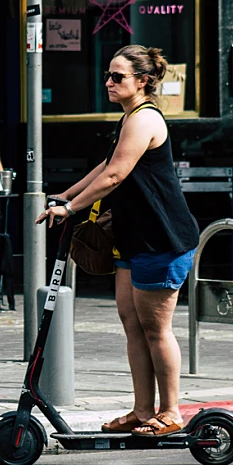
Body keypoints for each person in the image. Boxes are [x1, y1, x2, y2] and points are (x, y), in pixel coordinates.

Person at [36, 45, 199, 437]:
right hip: (132, 237)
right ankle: (143, 410)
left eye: (117, 76)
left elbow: (114, 177)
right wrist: (66, 195)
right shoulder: (128, 119)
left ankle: (172, 412)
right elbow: (105, 166)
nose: (108, 82)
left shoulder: (144, 120)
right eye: (107, 75)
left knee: (156, 328)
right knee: (132, 323)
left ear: (142, 81)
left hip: (162, 238)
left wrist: (71, 209)